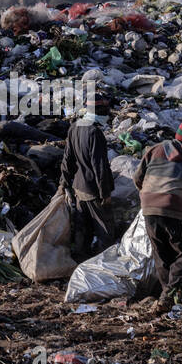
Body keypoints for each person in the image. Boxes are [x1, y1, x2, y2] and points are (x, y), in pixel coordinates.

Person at [133, 115, 182, 312]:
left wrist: (149, 194)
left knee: (161, 252)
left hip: (148, 207)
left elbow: (138, 178)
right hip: (175, 208)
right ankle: (169, 293)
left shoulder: (155, 149)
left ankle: (167, 297)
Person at [59, 94, 116, 259]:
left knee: (83, 228)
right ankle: (105, 263)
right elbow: (100, 167)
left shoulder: (75, 127)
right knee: (105, 229)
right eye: (103, 110)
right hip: (93, 190)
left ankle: (81, 260)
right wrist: (105, 193)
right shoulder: (95, 132)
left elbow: (67, 159)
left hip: (79, 187)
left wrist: (64, 182)